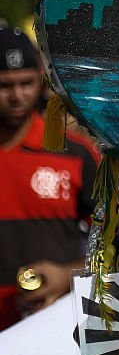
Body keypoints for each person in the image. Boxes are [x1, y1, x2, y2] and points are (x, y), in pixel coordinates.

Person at [0, 25, 99, 330]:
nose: (17, 96)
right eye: (4, 85)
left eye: (26, 83)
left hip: (57, 327)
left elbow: (115, 246)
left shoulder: (74, 153)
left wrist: (67, 275)